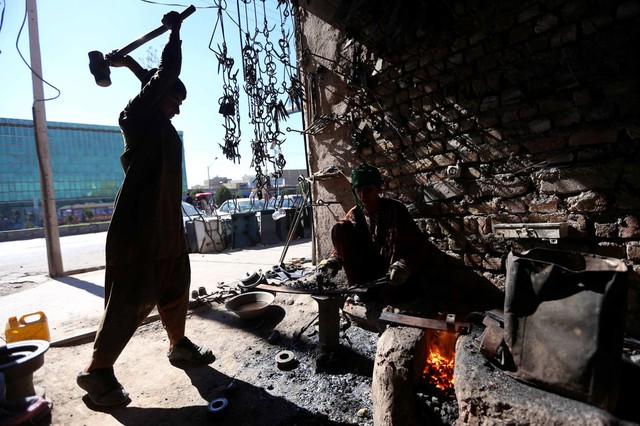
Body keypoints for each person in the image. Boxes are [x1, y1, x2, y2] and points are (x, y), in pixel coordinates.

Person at [76, 11, 214, 407]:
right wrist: (175, 31)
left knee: (175, 286)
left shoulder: (156, 119)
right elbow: (165, 76)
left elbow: (157, 83)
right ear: (161, 96)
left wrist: (128, 63)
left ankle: (178, 344)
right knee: (131, 299)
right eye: (175, 100)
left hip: (166, 226)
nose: (178, 108)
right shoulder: (136, 118)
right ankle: (97, 373)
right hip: (139, 230)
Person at [317, 163, 430, 303]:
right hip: (367, 272)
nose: (363, 195)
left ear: (378, 188)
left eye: (368, 190)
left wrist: (405, 264)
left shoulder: (395, 209)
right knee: (340, 228)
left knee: (397, 226)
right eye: (359, 190)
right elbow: (345, 245)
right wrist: (334, 259)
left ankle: (391, 293)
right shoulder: (354, 214)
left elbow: (420, 246)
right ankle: (360, 290)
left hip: (393, 272)